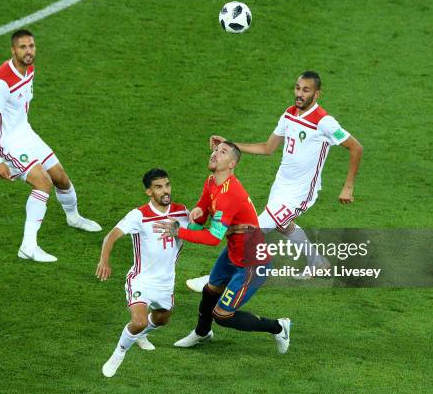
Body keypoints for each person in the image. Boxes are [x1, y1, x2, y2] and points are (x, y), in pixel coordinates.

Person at [186, 70, 363, 289]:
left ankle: (213, 279)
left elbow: (356, 147)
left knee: (248, 233)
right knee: (282, 224)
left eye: (306, 90)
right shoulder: (288, 115)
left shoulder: (325, 122)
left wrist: (348, 187)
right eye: (297, 88)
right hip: (280, 187)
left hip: (300, 194)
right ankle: (318, 262)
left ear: (317, 94)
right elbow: (267, 148)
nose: (299, 94)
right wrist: (231, 145)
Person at [154, 142, 291, 353]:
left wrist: (178, 232)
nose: (215, 153)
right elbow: (204, 207)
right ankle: (202, 333)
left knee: (223, 315)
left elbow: (212, 238)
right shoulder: (212, 182)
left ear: (232, 164)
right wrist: (197, 214)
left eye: (223, 152)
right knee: (211, 290)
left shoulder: (230, 193)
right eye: (215, 150)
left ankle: (278, 326)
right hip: (235, 252)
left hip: (252, 263)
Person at [0, 29, 101, 263]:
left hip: (26, 133)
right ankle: (28, 246)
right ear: (13, 50)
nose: (28, 51)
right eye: (22, 47)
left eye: (31, 46)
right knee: (42, 183)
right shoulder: (2, 81)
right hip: (8, 143)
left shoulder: (29, 68)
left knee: (61, 178)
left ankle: (73, 218)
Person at [97, 169, 190, 378]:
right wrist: (104, 260)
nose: (165, 191)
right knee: (138, 322)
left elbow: (201, 228)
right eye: (159, 187)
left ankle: (140, 336)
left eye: (167, 185)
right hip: (141, 280)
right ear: (149, 191)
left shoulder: (182, 212)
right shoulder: (139, 215)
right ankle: (119, 353)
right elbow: (111, 236)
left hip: (166, 283)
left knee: (162, 319)